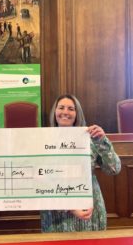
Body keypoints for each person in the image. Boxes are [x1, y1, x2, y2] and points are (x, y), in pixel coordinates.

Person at [41, 94, 121, 232]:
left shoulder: (91, 138)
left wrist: (103, 141)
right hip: (57, 215)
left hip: (89, 212)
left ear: (77, 113)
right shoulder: (42, 140)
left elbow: (114, 169)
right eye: (61, 108)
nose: (65, 112)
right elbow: (40, 181)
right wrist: (70, 206)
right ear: (55, 112)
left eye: (71, 109)